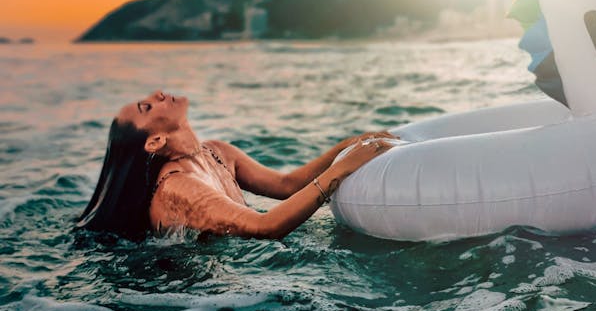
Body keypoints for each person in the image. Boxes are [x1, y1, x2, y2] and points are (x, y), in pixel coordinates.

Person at [76, 90, 394, 241]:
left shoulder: (216, 152)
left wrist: (345, 148)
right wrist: (341, 170)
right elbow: (264, 227)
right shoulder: (176, 187)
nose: (158, 94)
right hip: (188, 295)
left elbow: (285, 186)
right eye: (148, 106)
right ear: (155, 142)